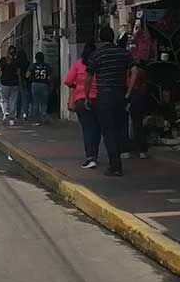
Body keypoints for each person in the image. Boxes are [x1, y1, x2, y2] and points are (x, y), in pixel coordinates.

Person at [84, 26, 132, 176]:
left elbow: (89, 78)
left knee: (109, 131)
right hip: (120, 95)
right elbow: (135, 70)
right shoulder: (124, 53)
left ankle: (115, 165)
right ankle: (117, 162)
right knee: (119, 130)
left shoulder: (96, 55)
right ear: (113, 37)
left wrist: (86, 97)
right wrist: (129, 91)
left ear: (100, 39)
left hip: (104, 96)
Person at [65, 43, 100, 168]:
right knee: (97, 129)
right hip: (98, 99)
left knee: (87, 129)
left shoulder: (78, 64)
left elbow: (68, 80)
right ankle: (94, 154)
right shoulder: (99, 63)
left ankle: (90, 157)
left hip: (82, 100)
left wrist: (77, 86)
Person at [127, 60, 151, 159]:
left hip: (134, 95)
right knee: (138, 123)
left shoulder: (134, 69)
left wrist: (128, 92)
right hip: (141, 96)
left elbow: (134, 74)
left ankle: (137, 148)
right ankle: (142, 150)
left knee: (135, 123)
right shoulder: (143, 72)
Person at [26, 51, 52, 125]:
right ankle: (43, 116)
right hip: (44, 85)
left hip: (35, 84)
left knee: (35, 102)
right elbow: (50, 77)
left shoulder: (33, 66)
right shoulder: (47, 66)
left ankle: (37, 120)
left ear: (36, 58)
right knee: (43, 102)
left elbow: (27, 75)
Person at [0, 46, 21, 126]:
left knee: (4, 100)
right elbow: (18, 73)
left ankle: (6, 112)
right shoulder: (17, 61)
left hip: (4, 83)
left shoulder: (3, 60)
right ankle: (12, 119)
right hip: (14, 84)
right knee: (13, 101)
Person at [16, 49, 31, 121]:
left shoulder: (17, 63)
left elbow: (18, 73)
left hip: (18, 82)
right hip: (25, 82)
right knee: (25, 99)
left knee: (18, 99)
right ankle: (25, 113)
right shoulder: (27, 63)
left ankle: (18, 113)